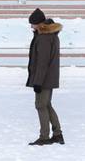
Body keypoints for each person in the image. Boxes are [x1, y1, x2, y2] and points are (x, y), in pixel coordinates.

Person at [26, 8, 64, 146]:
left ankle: (44, 137)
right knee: (46, 105)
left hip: (44, 79)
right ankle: (57, 134)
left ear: (39, 23)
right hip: (49, 77)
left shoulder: (44, 38)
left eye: (32, 24)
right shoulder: (50, 35)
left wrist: (38, 82)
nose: (31, 26)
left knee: (40, 105)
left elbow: (42, 63)